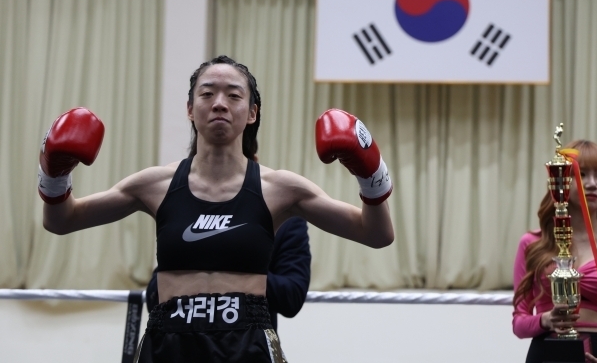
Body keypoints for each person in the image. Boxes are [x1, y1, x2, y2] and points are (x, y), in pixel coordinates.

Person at [39, 55, 394, 363]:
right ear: (190, 109)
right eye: (207, 93)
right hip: (168, 340)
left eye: (233, 95)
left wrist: (370, 174)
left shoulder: (281, 189)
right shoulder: (154, 185)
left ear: (252, 112)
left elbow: (375, 234)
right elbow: (63, 220)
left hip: (246, 342)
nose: (220, 103)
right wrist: (54, 173)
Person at [512, 140, 597, 363]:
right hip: (545, 354)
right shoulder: (532, 243)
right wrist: (546, 320)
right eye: (581, 174)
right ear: (562, 180)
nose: (592, 184)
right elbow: (519, 324)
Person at [146, 216, 311, 332]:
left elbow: (292, 297)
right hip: (181, 348)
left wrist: (234, 260)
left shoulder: (285, 219)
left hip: (248, 349)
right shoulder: (187, 213)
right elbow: (154, 296)